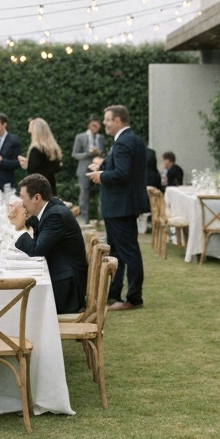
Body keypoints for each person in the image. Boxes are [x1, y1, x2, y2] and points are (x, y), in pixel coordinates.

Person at [88, 104, 148, 311]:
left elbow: (122, 174)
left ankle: (133, 298)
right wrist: (103, 167)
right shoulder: (134, 140)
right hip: (123, 204)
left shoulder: (123, 142)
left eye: (107, 120)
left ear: (118, 120)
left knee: (128, 252)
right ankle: (114, 293)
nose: (104, 123)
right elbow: (128, 171)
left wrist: (100, 176)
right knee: (118, 252)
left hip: (120, 206)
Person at [10, 174, 88, 314]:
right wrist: (20, 218)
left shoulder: (55, 215)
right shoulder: (51, 208)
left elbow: (37, 250)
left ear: (37, 198)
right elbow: (37, 225)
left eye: (22, 197)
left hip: (66, 292)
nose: (20, 202)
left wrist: (20, 228)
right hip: (62, 279)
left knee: (17, 306)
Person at [72, 116, 106, 222]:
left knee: (102, 193)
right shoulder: (80, 137)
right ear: (89, 125)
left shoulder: (101, 138)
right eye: (93, 125)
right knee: (84, 194)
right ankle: (84, 219)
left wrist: (98, 152)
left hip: (98, 168)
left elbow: (103, 153)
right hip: (84, 169)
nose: (95, 127)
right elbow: (75, 154)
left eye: (97, 125)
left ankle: (102, 219)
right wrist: (88, 154)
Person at [18, 118, 63, 199]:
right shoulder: (53, 149)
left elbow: (34, 171)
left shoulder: (36, 149)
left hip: (38, 189)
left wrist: (27, 165)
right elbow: (55, 167)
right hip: (51, 186)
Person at [0, 113, 21, 190]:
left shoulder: (13, 141)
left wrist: (1, 161)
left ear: (4, 124)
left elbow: (17, 163)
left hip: (6, 182)